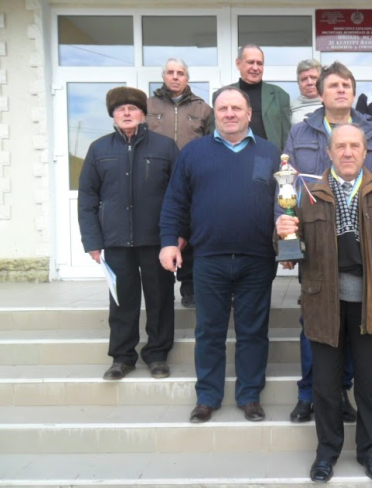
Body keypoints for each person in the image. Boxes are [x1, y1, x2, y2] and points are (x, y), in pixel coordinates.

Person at [276, 123, 372, 483]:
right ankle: (326, 452)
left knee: (371, 385)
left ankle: (371, 453)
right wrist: (282, 236)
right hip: (324, 303)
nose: (348, 152)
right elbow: (291, 247)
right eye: (341, 146)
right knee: (325, 385)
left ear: (366, 152)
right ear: (329, 152)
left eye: (355, 146)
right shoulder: (308, 193)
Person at [283, 61, 372, 424]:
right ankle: (309, 393)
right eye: (333, 85)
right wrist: (285, 237)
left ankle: (342, 391)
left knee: (354, 321)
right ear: (320, 93)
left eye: (346, 85)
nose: (341, 90)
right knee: (315, 322)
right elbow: (285, 186)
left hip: (360, 244)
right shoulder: (300, 132)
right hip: (316, 243)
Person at [159, 87, 279, 423]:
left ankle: (249, 395)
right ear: (215, 114)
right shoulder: (193, 152)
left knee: (253, 331)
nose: (230, 113)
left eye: (236, 108)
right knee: (209, 332)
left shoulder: (270, 152)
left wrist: (287, 244)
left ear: (249, 114)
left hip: (257, 259)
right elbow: (175, 201)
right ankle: (207, 397)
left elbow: (283, 204)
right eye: (223, 108)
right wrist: (169, 241)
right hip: (209, 258)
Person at [78, 87, 179, 381]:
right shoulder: (99, 149)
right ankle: (122, 357)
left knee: (160, 299)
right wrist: (92, 241)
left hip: (157, 240)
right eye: (120, 109)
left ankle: (157, 354)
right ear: (112, 115)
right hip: (116, 240)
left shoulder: (165, 147)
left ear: (143, 114)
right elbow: (87, 198)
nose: (126, 113)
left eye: (132, 108)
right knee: (122, 301)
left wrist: (177, 236)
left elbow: (179, 194)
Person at [147, 57, 214, 308]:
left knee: (190, 231)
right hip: (156, 177)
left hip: (191, 176)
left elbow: (211, 143)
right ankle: (162, 288)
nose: (175, 77)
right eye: (170, 72)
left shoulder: (203, 109)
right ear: (163, 76)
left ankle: (189, 288)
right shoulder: (148, 105)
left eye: (180, 73)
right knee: (162, 230)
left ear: (187, 78)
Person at [212, 44, 291, 151]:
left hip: (268, 157)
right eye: (250, 62)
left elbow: (286, 137)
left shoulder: (279, 95)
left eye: (259, 63)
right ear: (238, 64)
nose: (255, 68)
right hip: (231, 154)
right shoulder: (222, 95)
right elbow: (215, 131)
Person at [291, 59, 322, 125]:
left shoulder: (332, 105)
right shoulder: (289, 108)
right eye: (304, 79)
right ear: (298, 83)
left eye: (313, 78)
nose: (309, 83)